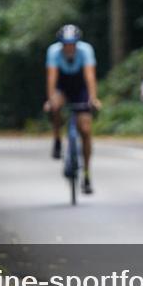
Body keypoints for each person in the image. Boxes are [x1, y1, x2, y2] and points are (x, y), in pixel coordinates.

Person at [44, 24, 101, 194]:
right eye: (66, 45)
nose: (69, 48)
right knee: (55, 106)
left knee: (85, 128)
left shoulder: (86, 50)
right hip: (63, 85)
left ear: (77, 43)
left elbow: (90, 76)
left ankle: (87, 174)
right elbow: (52, 78)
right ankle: (57, 139)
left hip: (80, 86)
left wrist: (93, 98)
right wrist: (50, 99)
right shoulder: (53, 52)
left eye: (72, 44)